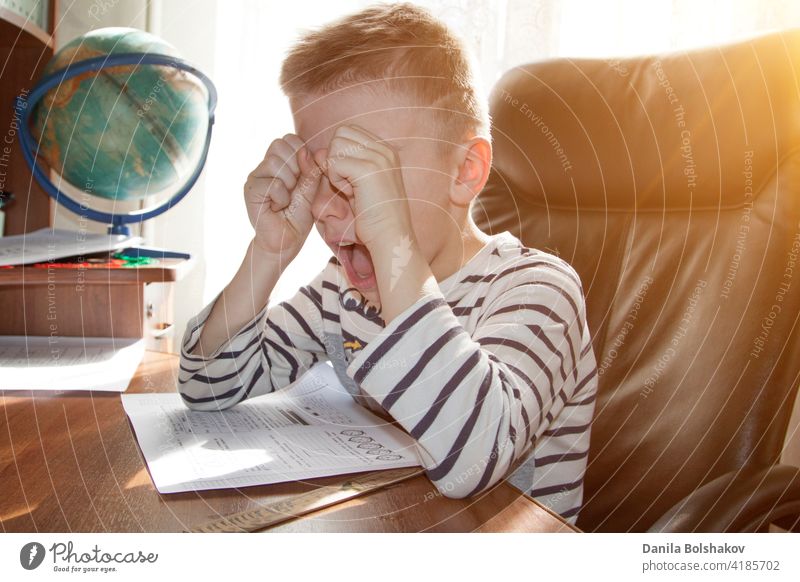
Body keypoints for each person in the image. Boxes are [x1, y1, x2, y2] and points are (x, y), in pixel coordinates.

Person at [177, 2, 597, 523]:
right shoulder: (342, 290)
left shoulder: (537, 290)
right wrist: (268, 253)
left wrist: (393, 241)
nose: (327, 208)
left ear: (465, 172)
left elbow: (472, 459)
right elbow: (208, 385)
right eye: (320, 173)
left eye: (366, 171)